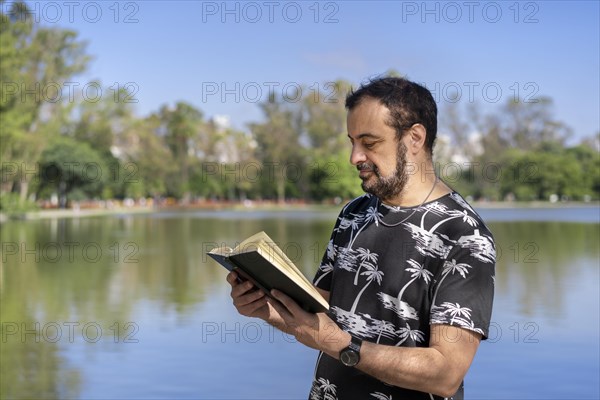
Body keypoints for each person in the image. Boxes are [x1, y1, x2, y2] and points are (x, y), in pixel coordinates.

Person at [226, 76, 495, 400]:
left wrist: (341, 345)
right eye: (352, 141)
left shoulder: (464, 234)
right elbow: (318, 322)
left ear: (415, 138)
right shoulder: (354, 213)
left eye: (369, 142)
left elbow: (446, 374)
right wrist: (266, 309)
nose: (354, 156)